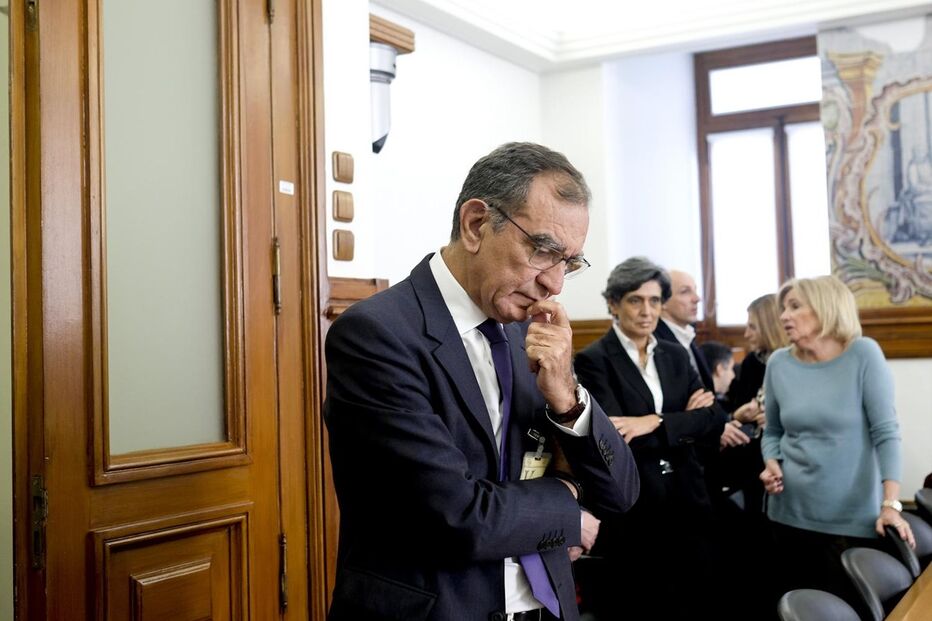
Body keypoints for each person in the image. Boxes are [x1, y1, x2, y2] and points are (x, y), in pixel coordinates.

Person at [324, 142, 639, 621]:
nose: (554, 283)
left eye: (569, 262)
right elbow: (457, 517)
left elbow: (620, 493)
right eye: (543, 251)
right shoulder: (377, 334)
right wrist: (569, 500)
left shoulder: (531, 332)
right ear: (476, 225)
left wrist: (568, 400)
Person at [573, 257, 728, 620]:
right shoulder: (595, 360)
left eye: (655, 301)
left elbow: (713, 419)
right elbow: (618, 436)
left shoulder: (675, 353)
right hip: (637, 509)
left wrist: (652, 421)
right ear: (613, 303)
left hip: (690, 501)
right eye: (635, 300)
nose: (647, 311)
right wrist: (681, 423)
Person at [760, 275, 915, 613]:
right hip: (789, 514)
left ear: (826, 308)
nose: (784, 315)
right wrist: (771, 460)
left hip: (853, 520)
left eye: (795, 306)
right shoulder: (778, 363)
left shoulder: (863, 354)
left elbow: (886, 432)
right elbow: (772, 431)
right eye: (783, 308)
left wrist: (892, 504)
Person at [653, 269, 714, 390]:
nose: (697, 299)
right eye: (685, 292)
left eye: (695, 290)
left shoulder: (688, 334)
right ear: (662, 301)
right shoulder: (654, 342)